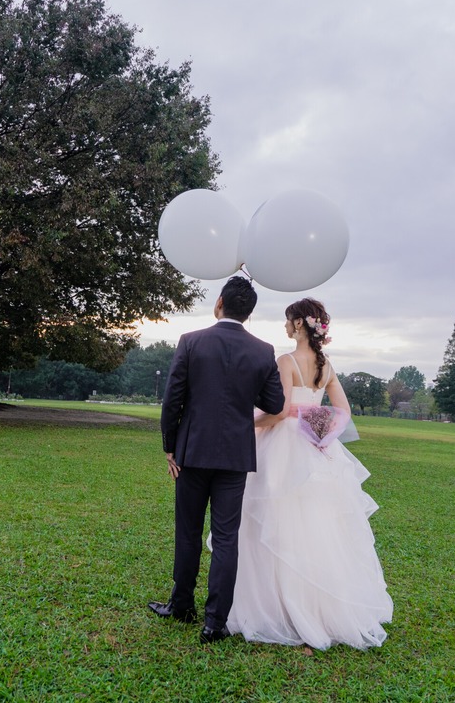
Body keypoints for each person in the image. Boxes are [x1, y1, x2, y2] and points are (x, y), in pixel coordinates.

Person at [227, 298, 393, 650]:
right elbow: (343, 411)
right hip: (316, 444)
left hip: (283, 445)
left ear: (300, 324)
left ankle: (278, 608)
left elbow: (280, 410)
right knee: (318, 522)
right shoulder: (326, 365)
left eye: (289, 320)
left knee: (276, 517)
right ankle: (319, 606)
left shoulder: (285, 361)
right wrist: (319, 430)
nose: (285, 326)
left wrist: (247, 423)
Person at [149, 276, 286, 644]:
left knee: (189, 531)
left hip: (191, 453)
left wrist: (169, 446)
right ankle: (215, 622)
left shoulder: (191, 342)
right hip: (235, 457)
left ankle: (181, 606)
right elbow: (275, 405)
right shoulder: (262, 351)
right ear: (249, 313)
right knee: (226, 538)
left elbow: (172, 400)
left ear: (219, 303)